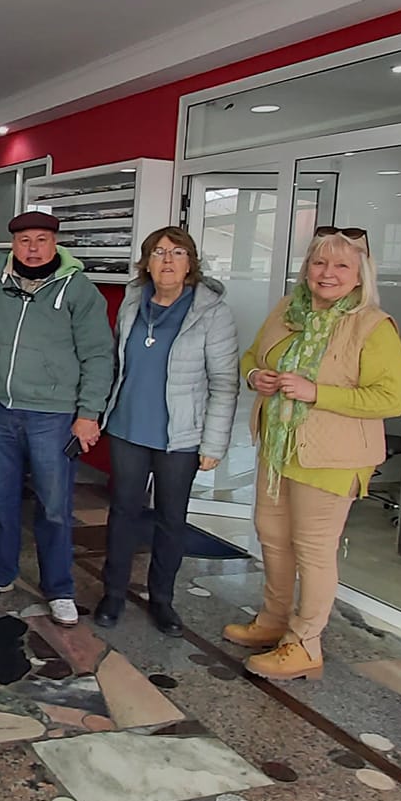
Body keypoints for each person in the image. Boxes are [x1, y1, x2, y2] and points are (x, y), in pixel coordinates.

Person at [225, 227, 401, 680]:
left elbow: (391, 398)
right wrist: (256, 378)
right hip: (279, 448)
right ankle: (273, 620)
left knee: (313, 550)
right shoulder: (288, 310)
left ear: (360, 274)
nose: (328, 273)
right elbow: (252, 357)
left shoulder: (373, 325)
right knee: (272, 536)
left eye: (341, 265)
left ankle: (305, 642)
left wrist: (316, 393)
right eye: (319, 262)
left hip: (332, 457)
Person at [0, 211, 115, 627]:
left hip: (54, 415)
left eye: (42, 240)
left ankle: (59, 588)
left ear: (55, 243)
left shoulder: (78, 290)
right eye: (24, 240)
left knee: (54, 506)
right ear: (13, 244)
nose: (33, 248)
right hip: (0, 409)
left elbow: (99, 355)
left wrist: (89, 414)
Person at [93, 227, 240, 635]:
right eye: (159, 252)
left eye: (177, 252)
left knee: (171, 520)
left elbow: (225, 382)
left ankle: (162, 600)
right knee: (123, 513)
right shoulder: (132, 301)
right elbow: (116, 362)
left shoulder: (212, 312)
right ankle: (113, 594)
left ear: (191, 262)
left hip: (181, 437)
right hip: (128, 428)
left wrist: (214, 443)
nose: (168, 260)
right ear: (147, 262)